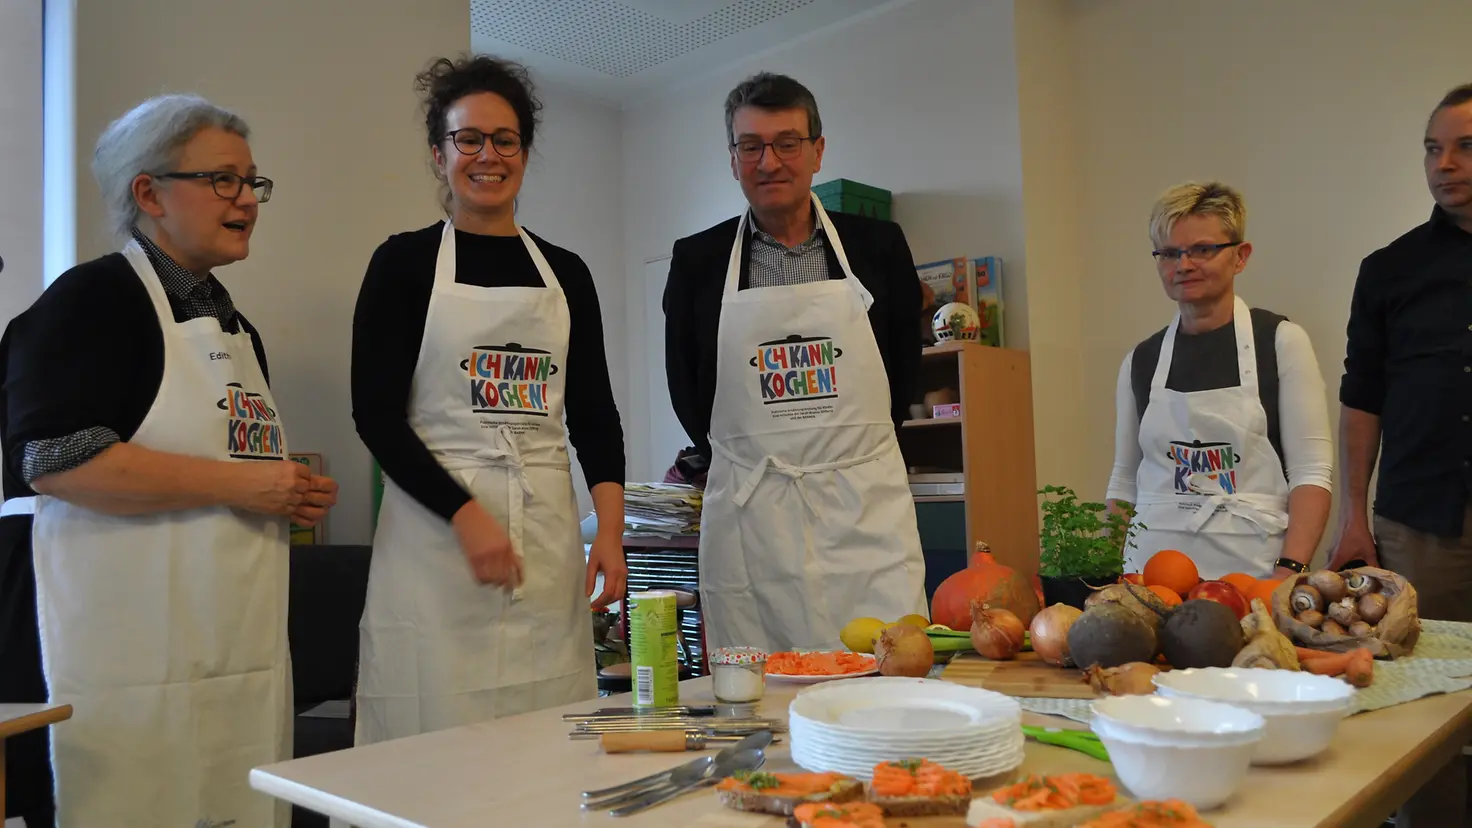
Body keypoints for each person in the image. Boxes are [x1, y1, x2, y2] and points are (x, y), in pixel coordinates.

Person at [0, 94, 337, 828]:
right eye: (223, 180)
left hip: (230, 655)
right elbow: (55, 458)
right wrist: (248, 485)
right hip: (112, 655)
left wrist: (287, 493)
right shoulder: (91, 301)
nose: (247, 199)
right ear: (147, 192)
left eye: (253, 183)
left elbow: (231, 472)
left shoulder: (234, 326)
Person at [351, 55, 626, 743]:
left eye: (504, 139)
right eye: (467, 139)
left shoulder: (566, 273)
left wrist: (613, 533)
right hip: (433, 543)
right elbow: (376, 415)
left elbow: (593, 414)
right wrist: (466, 515)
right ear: (439, 154)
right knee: (434, 732)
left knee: (542, 733)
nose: (487, 155)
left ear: (524, 153)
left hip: (544, 540)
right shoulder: (402, 265)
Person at [663, 72, 926, 653]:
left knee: (886, 669)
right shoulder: (698, 260)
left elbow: (904, 363)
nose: (769, 162)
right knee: (762, 683)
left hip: (865, 510)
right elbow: (686, 384)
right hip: (752, 513)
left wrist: (850, 457)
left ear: (816, 151)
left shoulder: (878, 246)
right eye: (750, 146)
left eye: (787, 143)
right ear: (733, 160)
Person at [1331, 82, 1472, 828]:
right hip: (1421, 520)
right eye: (1432, 148)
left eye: (1465, 146)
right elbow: (1363, 397)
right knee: (1424, 700)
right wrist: (1354, 516)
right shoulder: (1390, 269)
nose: (1444, 164)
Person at [1106, 182, 1332, 580]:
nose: (1185, 264)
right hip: (1148, 580)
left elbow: (1311, 473)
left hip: (1254, 577)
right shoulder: (1140, 361)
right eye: (1170, 253)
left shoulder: (1280, 342)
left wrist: (1289, 572)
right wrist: (1106, 567)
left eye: (1203, 249)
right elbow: (1124, 481)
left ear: (1240, 257)